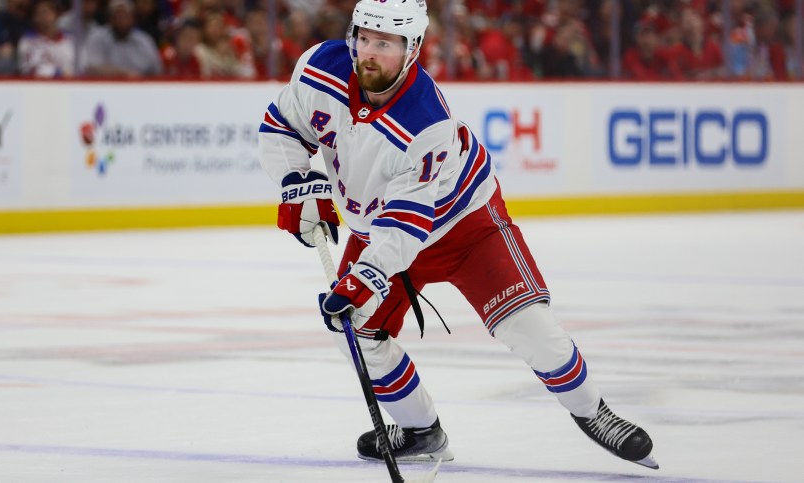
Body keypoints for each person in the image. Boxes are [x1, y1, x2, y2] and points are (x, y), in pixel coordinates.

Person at [257, 0, 658, 470]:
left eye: (384, 44)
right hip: (379, 227)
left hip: (462, 223)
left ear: (413, 49)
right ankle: (420, 429)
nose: (368, 52)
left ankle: (594, 412)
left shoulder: (427, 120)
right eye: (363, 37)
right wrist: (295, 183)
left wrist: (364, 277)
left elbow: (408, 220)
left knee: (529, 327)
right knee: (354, 331)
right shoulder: (320, 68)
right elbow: (282, 124)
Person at [81, 0, 161, 78]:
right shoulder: (97, 37)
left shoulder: (145, 40)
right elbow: (91, 67)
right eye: (119, 17)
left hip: (139, 87)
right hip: (105, 87)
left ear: (133, 19)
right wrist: (123, 74)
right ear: (111, 19)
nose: (123, 22)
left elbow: (156, 70)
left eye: (126, 17)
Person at [17, 0, 75, 77]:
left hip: (70, 85)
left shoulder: (70, 39)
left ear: (56, 14)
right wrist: (59, 73)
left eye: (47, 12)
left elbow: (77, 66)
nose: (43, 17)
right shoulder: (28, 41)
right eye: (39, 13)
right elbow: (34, 71)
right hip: (37, 86)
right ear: (34, 17)